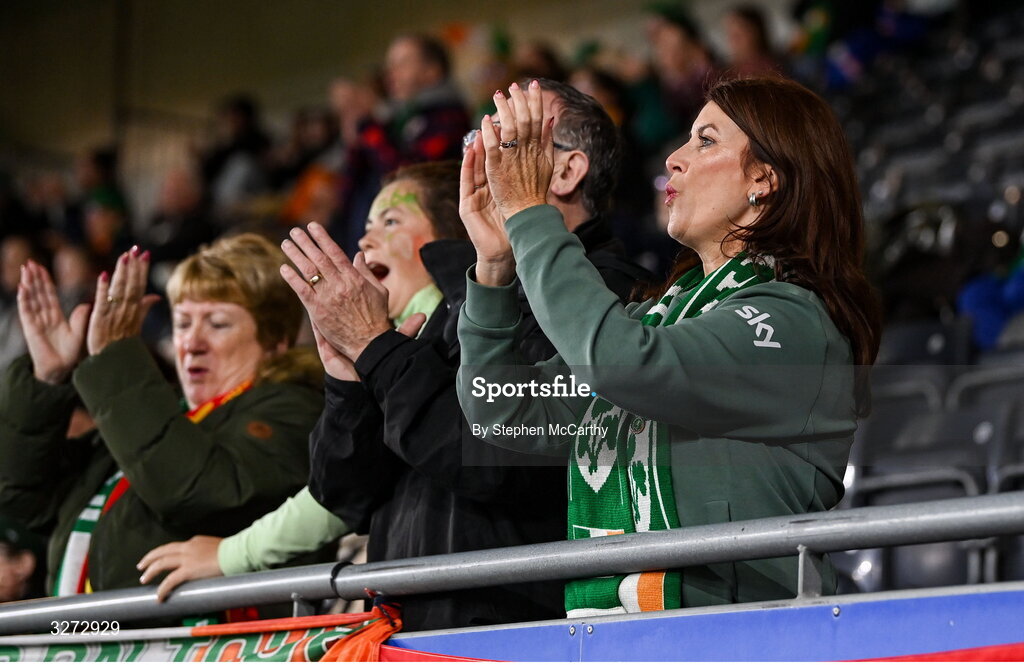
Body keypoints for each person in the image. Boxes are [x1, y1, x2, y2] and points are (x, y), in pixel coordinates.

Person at [456, 77, 881, 617]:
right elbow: (505, 410)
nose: (675, 159)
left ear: (764, 179)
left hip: (748, 643)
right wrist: (494, 269)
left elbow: (624, 364)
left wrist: (529, 216)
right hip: (625, 642)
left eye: (705, 141)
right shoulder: (659, 316)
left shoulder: (795, 321)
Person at [277, 82, 651, 632]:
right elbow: (346, 494)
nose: (478, 156)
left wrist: (378, 350)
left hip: (515, 633)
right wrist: (348, 384)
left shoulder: (610, 298)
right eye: (479, 137)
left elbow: (494, 459)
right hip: (405, 629)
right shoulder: (465, 297)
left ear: (568, 173)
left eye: (509, 140)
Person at [0, 234, 323, 597]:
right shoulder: (159, 412)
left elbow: (201, 493)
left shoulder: (297, 410)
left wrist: (116, 361)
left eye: (217, 324)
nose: (192, 343)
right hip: (87, 637)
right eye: (183, 323)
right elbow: (25, 501)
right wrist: (47, 380)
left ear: (276, 340)